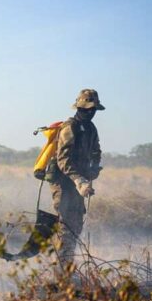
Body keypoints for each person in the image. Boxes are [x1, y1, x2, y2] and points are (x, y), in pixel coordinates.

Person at [49, 88, 103, 272]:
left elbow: (96, 151)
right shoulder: (69, 127)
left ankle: (66, 268)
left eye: (93, 109)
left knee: (76, 225)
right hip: (64, 183)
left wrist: (94, 169)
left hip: (80, 185)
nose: (91, 112)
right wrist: (79, 180)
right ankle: (61, 273)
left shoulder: (91, 128)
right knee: (65, 226)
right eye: (88, 108)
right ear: (79, 107)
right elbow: (62, 160)